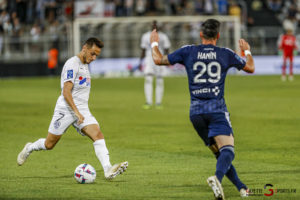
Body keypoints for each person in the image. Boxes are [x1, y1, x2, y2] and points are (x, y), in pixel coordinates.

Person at [150, 19, 255, 199]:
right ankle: (217, 178)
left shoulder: (188, 51)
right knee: (228, 150)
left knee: (219, 153)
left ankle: (241, 187)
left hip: (196, 113)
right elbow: (250, 67)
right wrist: (247, 51)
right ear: (218, 36)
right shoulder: (225, 53)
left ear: (201, 35)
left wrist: (154, 42)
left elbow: (158, 60)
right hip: (216, 109)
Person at [17, 37, 128, 180]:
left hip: (82, 110)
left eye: (97, 55)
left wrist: (80, 112)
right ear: (84, 48)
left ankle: (108, 170)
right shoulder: (72, 64)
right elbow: (66, 92)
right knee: (49, 144)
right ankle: (30, 148)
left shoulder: (85, 64)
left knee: (98, 135)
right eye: (92, 53)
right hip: (66, 109)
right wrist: (76, 112)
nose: (94, 58)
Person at [139, 20, 171, 109]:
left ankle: (158, 102)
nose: (155, 27)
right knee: (148, 79)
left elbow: (166, 49)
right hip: (149, 59)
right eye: (153, 25)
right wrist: (140, 62)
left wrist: (167, 60)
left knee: (159, 80)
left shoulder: (163, 36)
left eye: (156, 25)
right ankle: (148, 102)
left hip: (160, 60)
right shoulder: (145, 36)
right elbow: (143, 50)